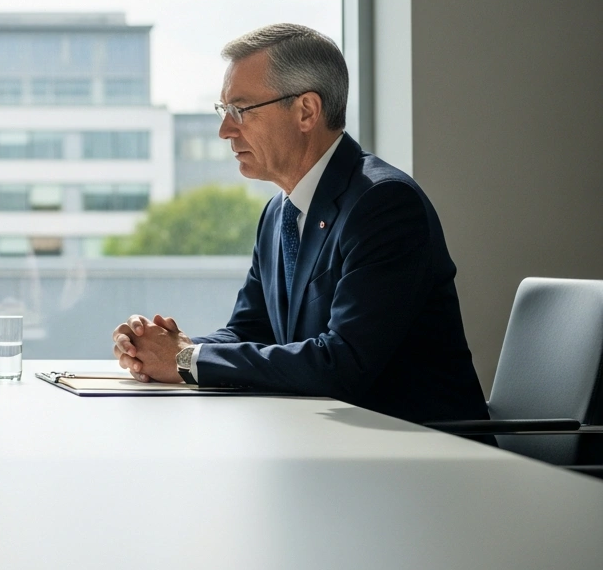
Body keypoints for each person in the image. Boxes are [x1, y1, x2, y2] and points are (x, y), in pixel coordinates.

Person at [112, 23, 489, 424]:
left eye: (240, 110)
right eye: (224, 111)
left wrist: (188, 359)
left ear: (306, 111)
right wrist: (159, 350)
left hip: (427, 457)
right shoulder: (279, 213)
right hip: (334, 448)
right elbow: (250, 332)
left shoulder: (385, 204)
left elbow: (342, 363)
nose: (225, 131)